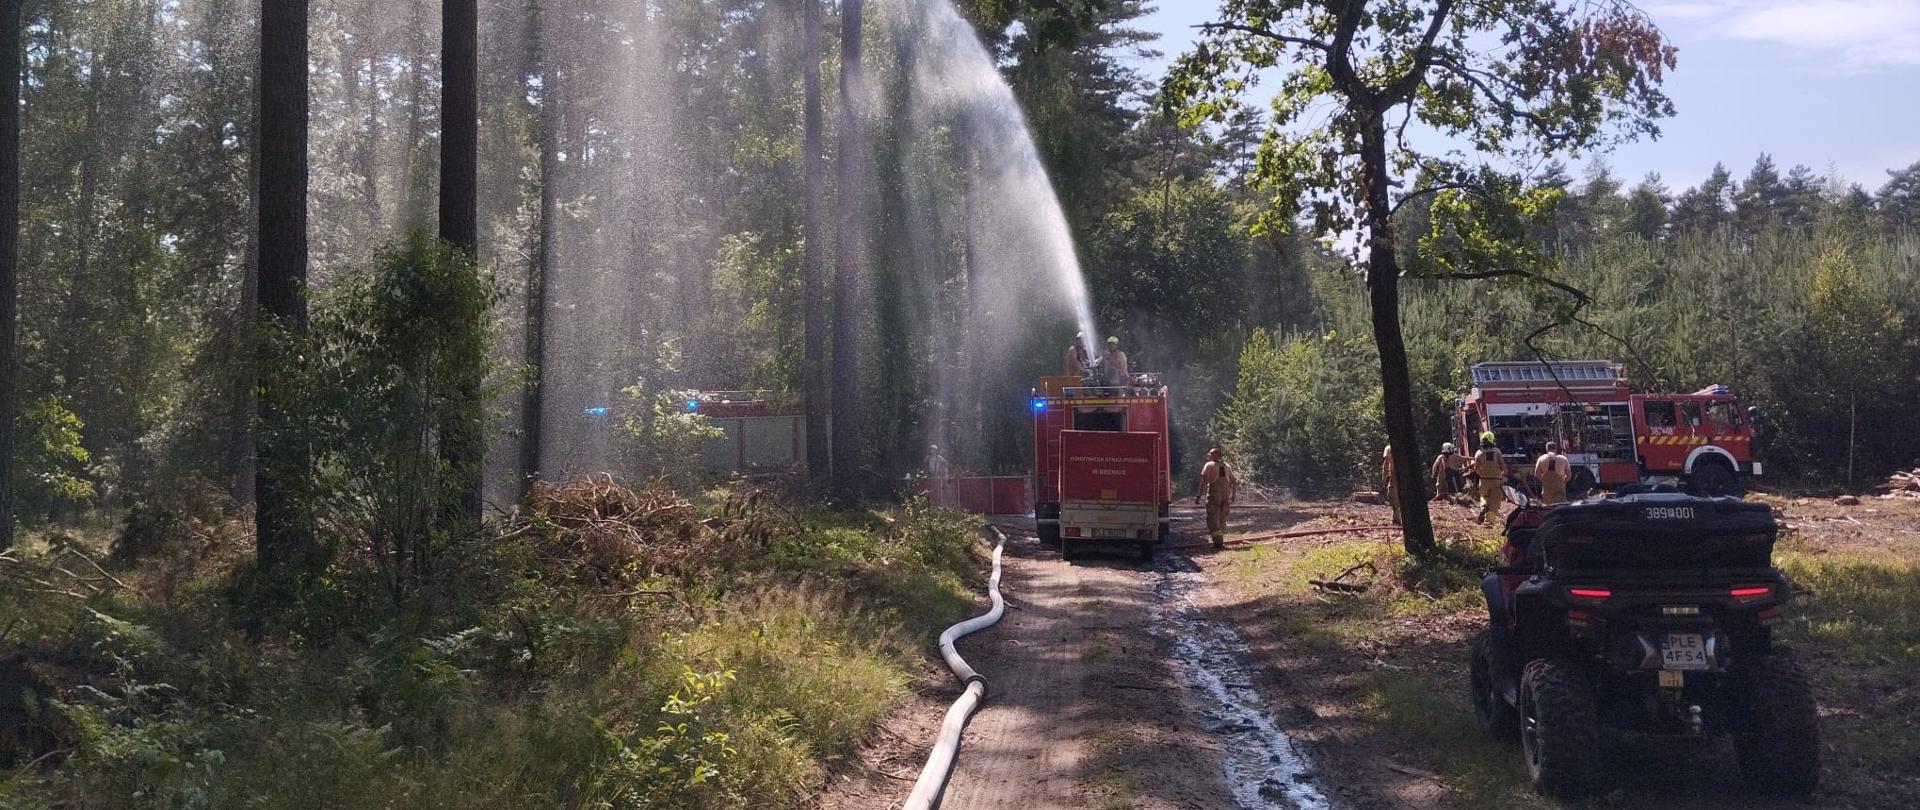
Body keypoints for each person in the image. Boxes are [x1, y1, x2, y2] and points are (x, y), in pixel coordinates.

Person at [1193, 447, 1237, 549]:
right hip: (1225, 495)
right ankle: (1220, 540)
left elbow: (1204, 481)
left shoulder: (1209, 465)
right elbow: (1234, 481)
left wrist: (1199, 496)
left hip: (1214, 495)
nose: (1208, 456)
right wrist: (1233, 495)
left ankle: (1218, 543)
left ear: (1215, 455)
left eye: (1210, 454)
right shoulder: (1227, 466)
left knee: (1212, 518)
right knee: (1222, 518)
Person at [1473, 433, 1508, 523]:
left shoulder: (1478, 453)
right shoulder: (1497, 451)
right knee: (1495, 502)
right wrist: (1503, 475)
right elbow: (1503, 466)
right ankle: (1489, 522)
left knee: (1484, 497)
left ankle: (1483, 507)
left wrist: (1482, 475)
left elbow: (1476, 468)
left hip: (1483, 481)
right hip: (1496, 480)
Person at [1382, 444, 1402, 525]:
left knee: (1394, 498)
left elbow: (1386, 463)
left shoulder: (1389, 448)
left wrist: (1383, 477)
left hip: (1395, 477)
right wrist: (1384, 476)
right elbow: (1386, 463)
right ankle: (1396, 519)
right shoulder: (1390, 448)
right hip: (1394, 476)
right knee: (1394, 498)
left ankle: (1397, 519)